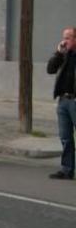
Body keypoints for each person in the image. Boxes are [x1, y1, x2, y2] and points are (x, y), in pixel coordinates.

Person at [47, 27, 76, 180]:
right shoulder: (64, 55)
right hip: (63, 101)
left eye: (69, 37)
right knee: (65, 137)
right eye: (64, 37)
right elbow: (50, 69)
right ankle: (67, 169)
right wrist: (58, 53)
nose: (65, 41)